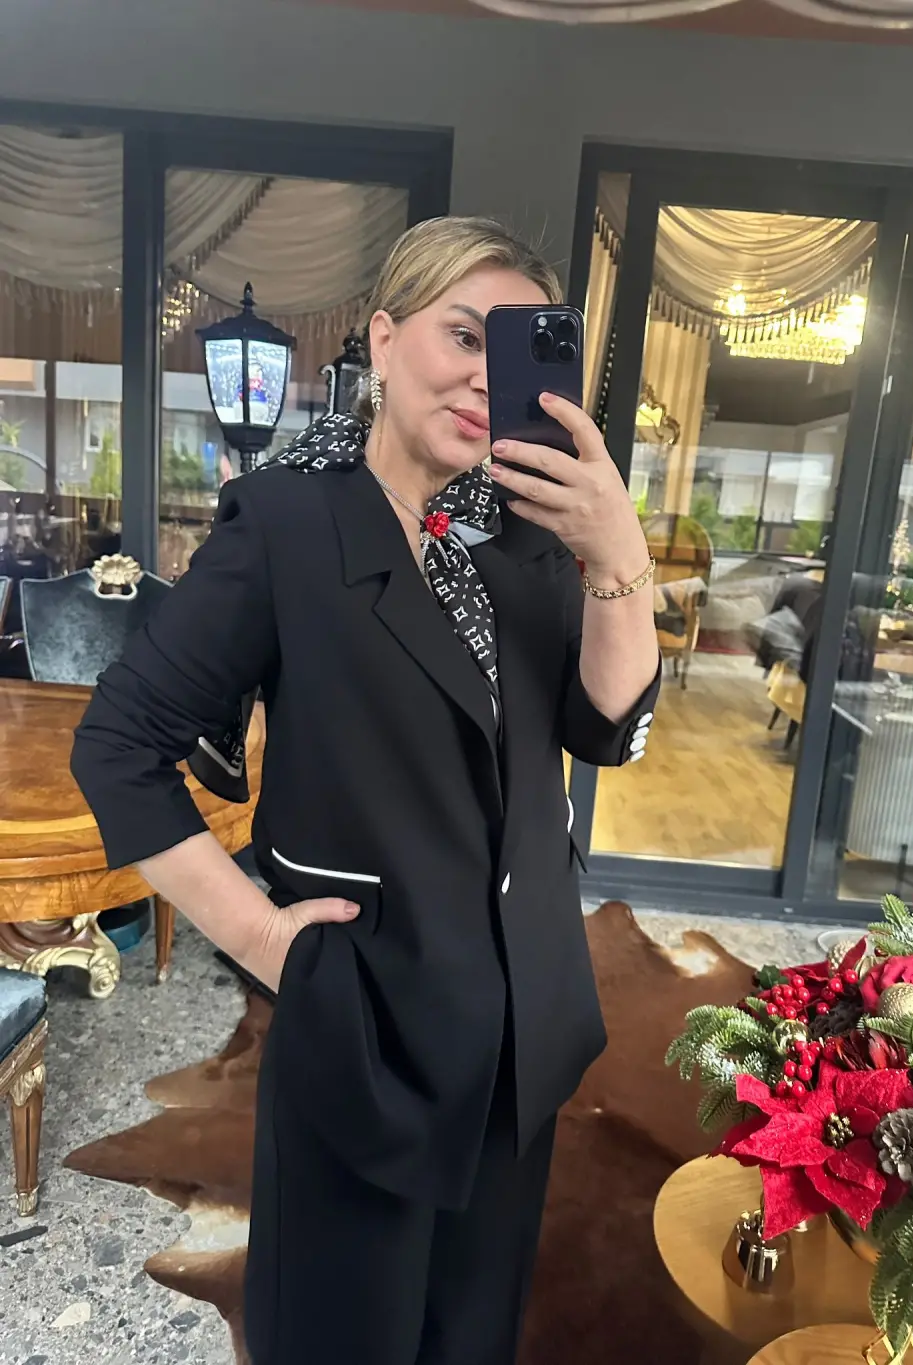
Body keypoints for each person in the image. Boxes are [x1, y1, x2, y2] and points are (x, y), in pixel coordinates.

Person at [70, 216, 660, 1365]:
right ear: (383, 340)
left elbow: (605, 727)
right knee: (342, 1334)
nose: (485, 377)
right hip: (367, 1028)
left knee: (472, 1333)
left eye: (511, 348)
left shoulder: (532, 529)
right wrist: (263, 939)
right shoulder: (291, 519)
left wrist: (616, 555)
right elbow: (120, 746)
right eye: (461, 336)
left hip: (521, 1032)